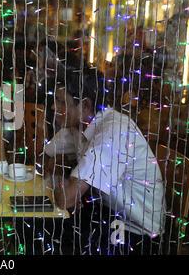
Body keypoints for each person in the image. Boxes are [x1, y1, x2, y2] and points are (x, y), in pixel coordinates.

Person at [43, 67, 165, 255]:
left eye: (60, 102)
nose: (53, 107)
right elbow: (46, 157)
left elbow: (68, 198)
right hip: (105, 215)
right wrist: (57, 169)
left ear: (85, 105)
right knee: (46, 230)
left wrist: (58, 181)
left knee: (51, 235)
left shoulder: (112, 132)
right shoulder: (79, 125)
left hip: (136, 234)